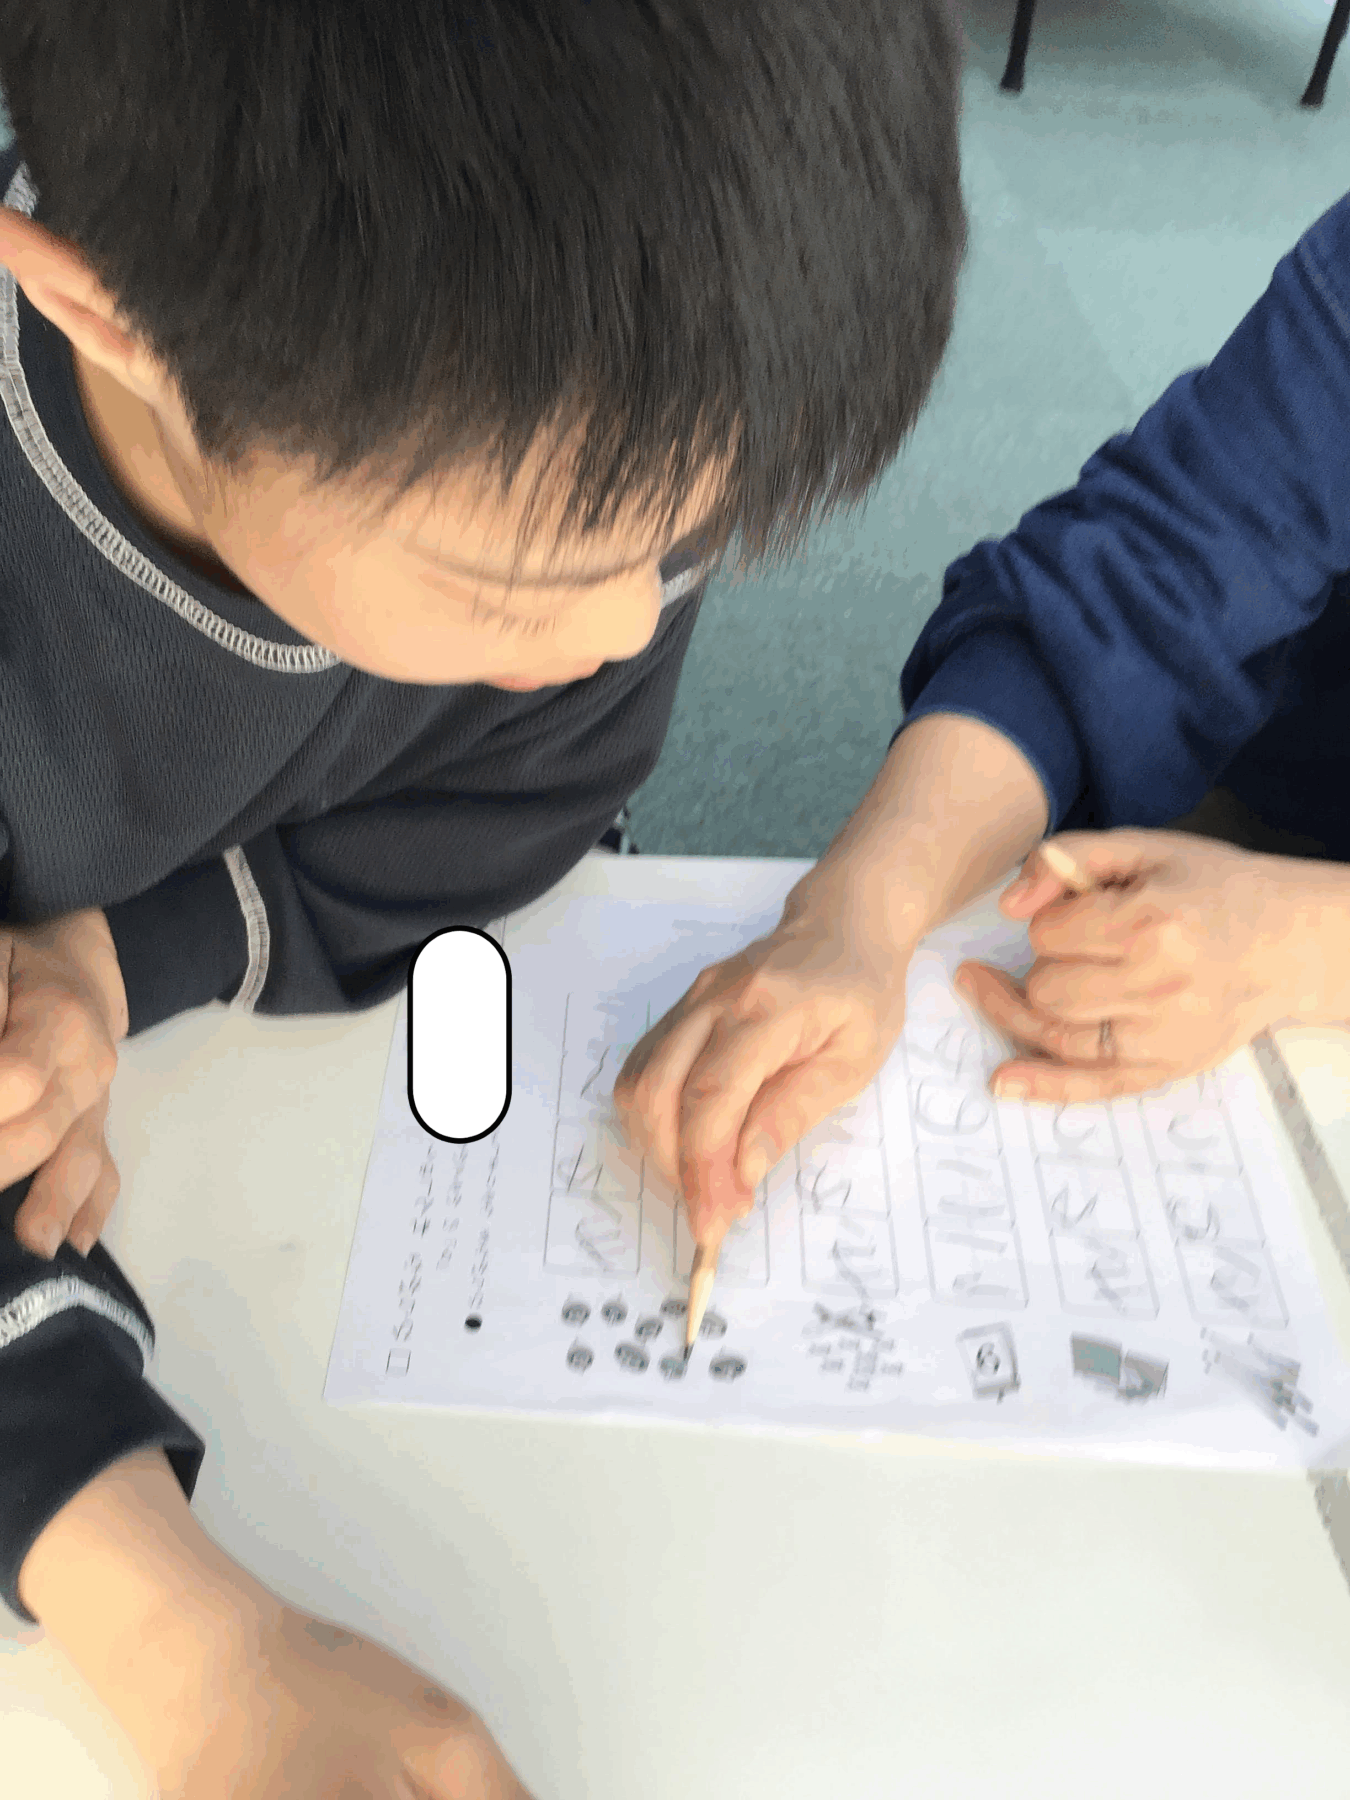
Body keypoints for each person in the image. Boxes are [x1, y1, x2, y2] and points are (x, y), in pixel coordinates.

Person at [0, 2, 969, 1795]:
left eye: (678, 544)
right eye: (510, 583)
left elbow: (530, 804)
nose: (620, 631)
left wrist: (119, 961)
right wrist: (188, 1642)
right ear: (109, 324)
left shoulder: (577, 403)